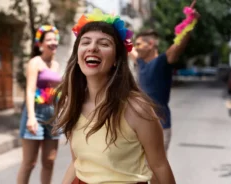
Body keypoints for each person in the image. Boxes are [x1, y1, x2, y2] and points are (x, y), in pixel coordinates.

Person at [52, 9, 175, 184]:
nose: (92, 47)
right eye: (85, 42)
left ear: (117, 58)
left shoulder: (137, 109)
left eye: (104, 43)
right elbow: (76, 162)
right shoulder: (73, 103)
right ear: (77, 56)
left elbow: (160, 166)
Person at [129, 5, 200, 152]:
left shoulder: (162, 61)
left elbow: (178, 45)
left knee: (156, 171)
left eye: (139, 44)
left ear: (151, 44)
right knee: (140, 171)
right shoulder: (141, 63)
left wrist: (191, 22)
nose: (135, 47)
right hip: (140, 127)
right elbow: (127, 48)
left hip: (160, 127)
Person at [17, 25, 61, 184]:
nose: (53, 42)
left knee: (49, 161)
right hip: (36, 112)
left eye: (55, 39)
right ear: (40, 44)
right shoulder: (35, 62)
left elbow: (56, 91)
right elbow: (29, 90)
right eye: (49, 39)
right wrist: (31, 117)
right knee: (29, 163)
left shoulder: (56, 65)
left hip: (53, 114)